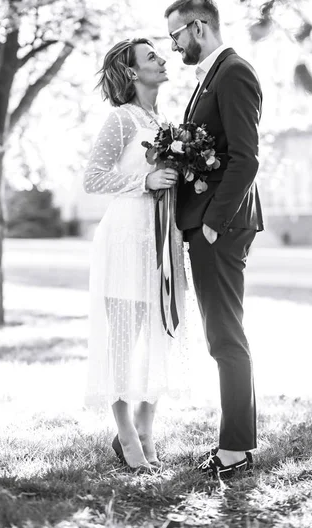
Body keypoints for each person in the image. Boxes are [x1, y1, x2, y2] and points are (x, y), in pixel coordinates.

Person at [165, 0, 264, 479]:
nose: (173, 45)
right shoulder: (210, 76)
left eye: (175, 35)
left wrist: (212, 222)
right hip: (208, 223)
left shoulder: (234, 72)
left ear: (198, 27)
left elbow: (246, 158)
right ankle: (237, 442)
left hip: (220, 227)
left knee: (225, 336)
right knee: (223, 335)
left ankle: (235, 450)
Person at [83, 38, 186, 471]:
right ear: (131, 73)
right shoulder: (121, 120)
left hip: (161, 238)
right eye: (151, 57)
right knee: (124, 342)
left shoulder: (166, 122)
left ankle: (147, 429)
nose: (163, 60)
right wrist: (144, 182)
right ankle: (126, 438)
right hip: (126, 237)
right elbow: (92, 179)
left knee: (157, 336)